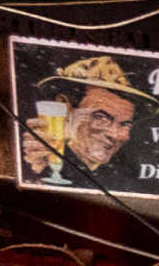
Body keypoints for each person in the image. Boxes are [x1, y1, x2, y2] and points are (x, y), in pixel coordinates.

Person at [20, 53, 149, 183]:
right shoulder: (40, 159)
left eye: (125, 125)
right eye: (100, 118)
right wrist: (33, 172)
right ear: (63, 105)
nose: (114, 135)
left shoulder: (125, 176)